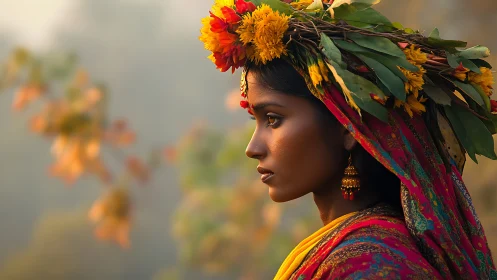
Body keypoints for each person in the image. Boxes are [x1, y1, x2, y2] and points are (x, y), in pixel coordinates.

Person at [200, 0, 497, 279]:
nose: (253, 149)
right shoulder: (350, 251)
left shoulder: (368, 266)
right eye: (256, 120)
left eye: (273, 120)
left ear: (347, 126)